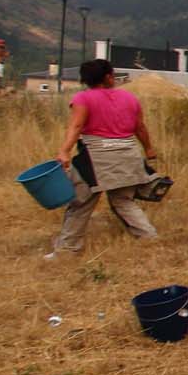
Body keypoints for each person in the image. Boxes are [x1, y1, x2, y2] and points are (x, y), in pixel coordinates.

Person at [46, 59, 161, 257]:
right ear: (108, 77)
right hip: (129, 154)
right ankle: (150, 239)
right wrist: (149, 149)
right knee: (123, 201)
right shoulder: (129, 97)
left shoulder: (83, 98)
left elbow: (76, 126)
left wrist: (65, 151)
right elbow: (140, 127)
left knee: (81, 203)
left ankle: (67, 250)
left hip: (96, 158)